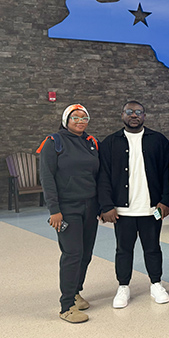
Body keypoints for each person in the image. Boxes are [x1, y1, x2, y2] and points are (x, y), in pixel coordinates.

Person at [98, 100, 169, 308]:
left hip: (151, 210)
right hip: (122, 211)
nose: (134, 115)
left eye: (138, 112)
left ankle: (156, 284)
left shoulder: (157, 141)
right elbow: (102, 176)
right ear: (122, 115)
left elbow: (168, 173)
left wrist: (166, 201)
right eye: (129, 112)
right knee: (123, 250)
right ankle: (123, 287)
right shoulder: (110, 142)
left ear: (144, 116)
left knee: (153, 248)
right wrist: (106, 206)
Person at [38, 104, 99, 323]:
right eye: (75, 117)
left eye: (85, 117)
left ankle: (75, 292)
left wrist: (101, 205)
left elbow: (98, 175)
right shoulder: (54, 142)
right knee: (72, 254)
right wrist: (54, 210)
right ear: (66, 120)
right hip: (67, 209)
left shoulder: (91, 143)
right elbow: (47, 177)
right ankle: (66, 307)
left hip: (90, 207)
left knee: (86, 254)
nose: (81, 121)